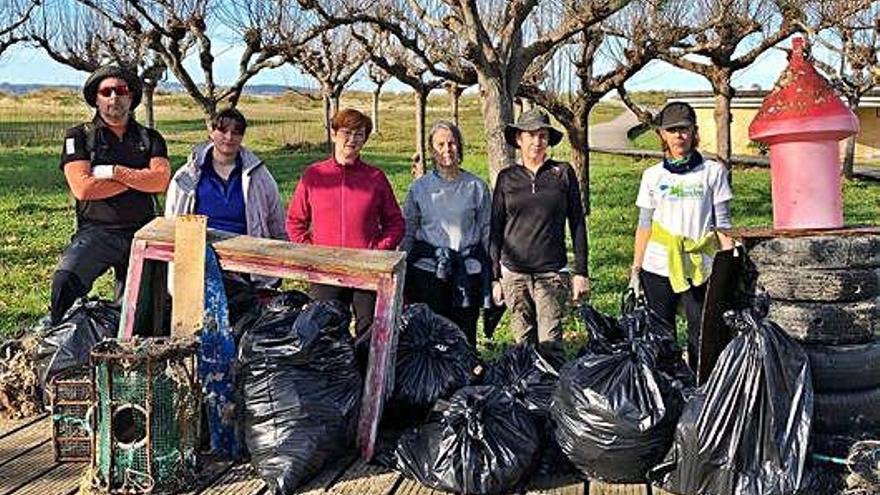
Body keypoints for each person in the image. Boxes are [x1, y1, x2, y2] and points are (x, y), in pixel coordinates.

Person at [51, 64, 170, 325]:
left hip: (142, 232)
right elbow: (82, 188)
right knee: (65, 280)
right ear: (96, 98)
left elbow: (160, 181)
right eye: (106, 91)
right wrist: (139, 179)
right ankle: (57, 341)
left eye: (121, 90)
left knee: (140, 313)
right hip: (97, 231)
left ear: (131, 97)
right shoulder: (79, 136)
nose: (114, 97)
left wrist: (114, 172)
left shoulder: (151, 138)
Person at [630, 101, 734, 371]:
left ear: (694, 131)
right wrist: (636, 269)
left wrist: (730, 264)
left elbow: (723, 223)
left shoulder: (713, 172)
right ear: (663, 134)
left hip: (699, 266)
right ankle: (667, 388)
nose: (679, 136)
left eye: (684, 129)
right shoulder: (652, 176)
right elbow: (644, 225)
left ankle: (701, 387)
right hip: (658, 265)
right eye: (672, 130)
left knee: (701, 333)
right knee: (662, 334)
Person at [286, 108, 405, 336]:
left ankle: (364, 372)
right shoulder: (314, 175)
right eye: (346, 132)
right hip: (326, 270)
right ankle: (328, 373)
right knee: (322, 332)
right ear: (334, 134)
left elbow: (395, 222)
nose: (352, 140)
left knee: (369, 332)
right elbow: (295, 221)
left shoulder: (375, 178)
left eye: (359, 134)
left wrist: (376, 251)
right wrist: (313, 253)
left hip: (367, 270)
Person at [490, 109, 589, 360]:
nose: (537, 141)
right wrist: (495, 278)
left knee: (550, 343)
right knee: (523, 345)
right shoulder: (507, 178)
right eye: (531, 135)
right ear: (519, 139)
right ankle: (527, 396)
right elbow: (495, 228)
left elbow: (577, 223)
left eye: (542, 135)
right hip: (514, 274)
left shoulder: (562, 173)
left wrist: (581, 272)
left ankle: (552, 396)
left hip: (551, 272)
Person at [165, 108, 287, 288]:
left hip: (247, 263)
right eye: (223, 130)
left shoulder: (259, 175)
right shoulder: (187, 176)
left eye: (236, 132)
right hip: (200, 262)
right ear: (211, 132)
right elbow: (172, 221)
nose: (229, 137)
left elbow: (276, 221)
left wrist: (276, 264)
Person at [401, 121, 492, 347]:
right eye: (440, 144)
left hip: (466, 271)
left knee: (464, 334)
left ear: (459, 146)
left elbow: (486, 230)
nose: (447, 149)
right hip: (429, 271)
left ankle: (465, 377)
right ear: (432, 150)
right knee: (431, 335)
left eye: (451, 143)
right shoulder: (419, 188)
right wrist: (399, 267)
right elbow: (409, 231)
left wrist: (496, 270)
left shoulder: (477, 187)